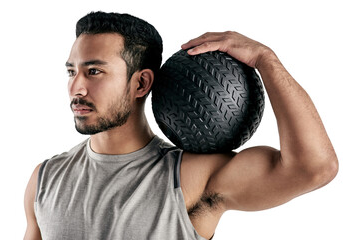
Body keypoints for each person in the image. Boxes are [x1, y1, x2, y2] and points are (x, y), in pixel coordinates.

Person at [24, 11, 338, 240]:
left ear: (141, 83)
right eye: (71, 72)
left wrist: (265, 59)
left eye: (94, 72)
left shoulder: (191, 177)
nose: (76, 87)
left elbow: (315, 167)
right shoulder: (45, 179)